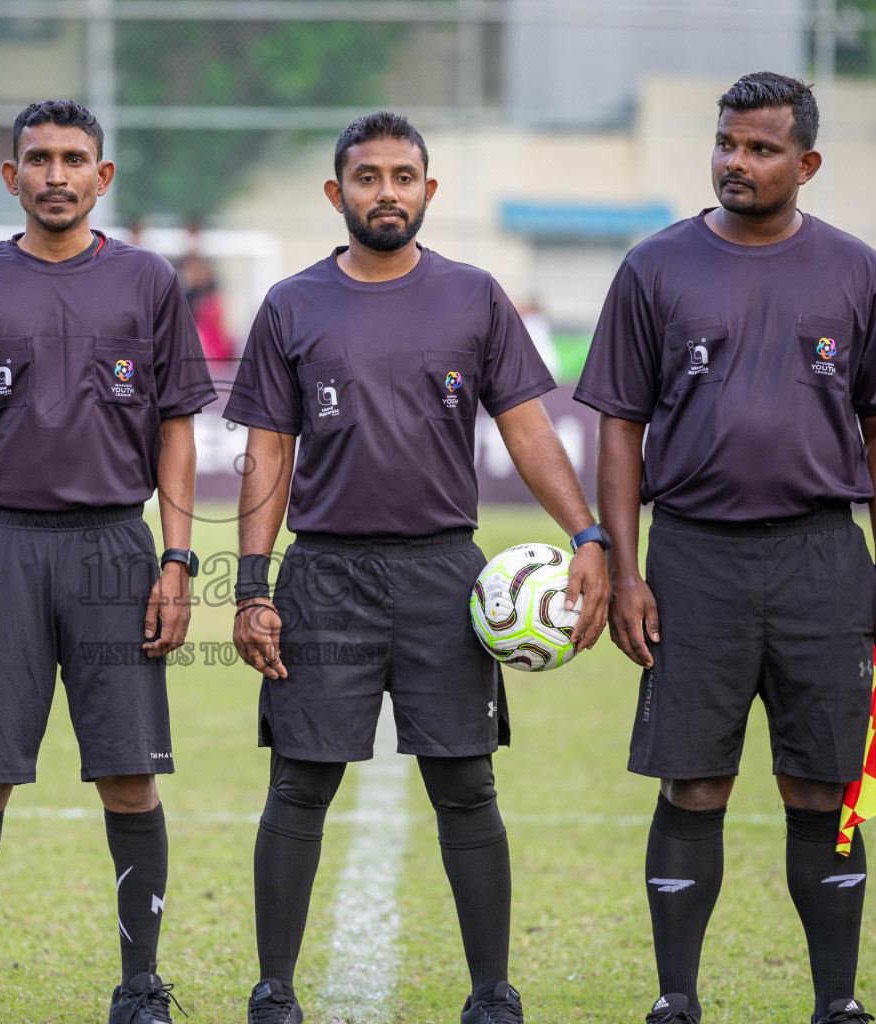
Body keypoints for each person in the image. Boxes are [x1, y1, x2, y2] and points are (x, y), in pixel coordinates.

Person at [223, 111, 610, 1024]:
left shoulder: (474, 297)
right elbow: (268, 457)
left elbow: (526, 432)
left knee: (466, 784)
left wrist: (588, 534)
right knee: (300, 782)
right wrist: (251, 584)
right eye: (367, 177)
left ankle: (492, 992)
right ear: (337, 193)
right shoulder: (291, 304)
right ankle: (274, 989)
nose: (386, 191)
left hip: (447, 578)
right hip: (324, 576)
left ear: (429, 192)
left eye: (404, 176)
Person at [574, 73, 876, 1024]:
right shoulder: (654, 268)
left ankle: (837, 1003)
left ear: (806, 163)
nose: (738, 161)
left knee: (822, 783)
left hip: (823, 559)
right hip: (694, 559)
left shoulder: (856, 271)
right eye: (728, 143)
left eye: (762, 149)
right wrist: (629, 568)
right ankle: (676, 997)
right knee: (695, 779)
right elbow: (619, 429)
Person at [0, 99, 216, 1024]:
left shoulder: (150, 282)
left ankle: (139, 985)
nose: (57, 175)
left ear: (102, 177)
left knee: (128, 773)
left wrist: (178, 562)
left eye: (75, 159)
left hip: (118, 546)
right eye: (38, 159)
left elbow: (176, 434)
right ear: (12, 177)